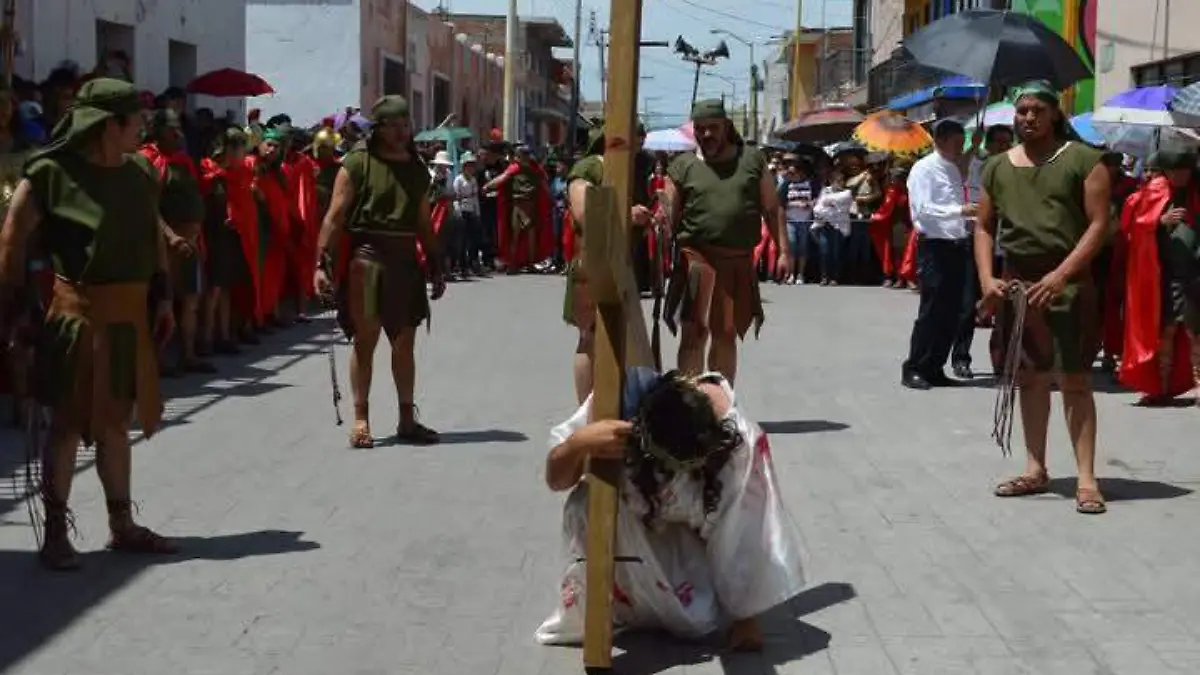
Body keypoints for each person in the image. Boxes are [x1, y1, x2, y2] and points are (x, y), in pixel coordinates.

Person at [0, 78, 178, 569]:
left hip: (130, 317)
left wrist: (162, 297)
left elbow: (152, 237)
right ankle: (55, 532)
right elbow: (11, 242)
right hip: (76, 317)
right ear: (107, 124)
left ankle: (121, 525)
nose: (143, 126)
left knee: (117, 424)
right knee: (67, 427)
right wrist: (15, 312)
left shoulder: (141, 171)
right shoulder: (50, 174)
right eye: (135, 119)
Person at [535, 367, 805, 650]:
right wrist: (579, 444)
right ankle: (613, 598)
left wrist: (745, 617)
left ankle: (649, 602)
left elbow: (742, 532)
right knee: (584, 504)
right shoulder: (624, 398)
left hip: (678, 545)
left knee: (697, 620)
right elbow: (556, 479)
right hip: (624, 529)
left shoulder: (738, 444)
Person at [975, 81, 1111, 514]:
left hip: (1069, 283)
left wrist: (1062, 273)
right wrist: (986, 278)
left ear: (1055, 113)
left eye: (1036, 110)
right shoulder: (995, 166)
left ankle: (1087, 480)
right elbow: (983, 227)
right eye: (1021, 111)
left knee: (1075, 379)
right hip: (1018, 285)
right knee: (1029, 378)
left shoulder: (1085, 160)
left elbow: (1099, 225)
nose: (1027, 118)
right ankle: (1036, 468)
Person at [314, 96, 445, 449]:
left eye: (406, 124)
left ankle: (406, 419)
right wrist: (321, 265)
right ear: (380, 127)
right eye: (395, 125)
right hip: (368, 259)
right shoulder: (357, 163)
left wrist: (435, 260)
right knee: (365, 340)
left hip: (405, 263)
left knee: (404, 343)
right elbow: (334, 216)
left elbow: (422, 220)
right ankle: (361, 419)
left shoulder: (417, 168)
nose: (402, 131)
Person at [662, 100, 789, 384]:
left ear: (726, 127)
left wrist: (783, 251)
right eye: (701, 129)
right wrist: (662, 213)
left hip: (735, 259)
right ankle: (690, 403)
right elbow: (668, 210)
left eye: (713, 128)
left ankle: (720, 405)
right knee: (693, 331)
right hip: (695, 258)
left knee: (725, 332)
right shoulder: (683, 165)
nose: (707, 134)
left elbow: (772, 208)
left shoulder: (752, 159)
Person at [563, 125, 657, 404]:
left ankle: (612, 404)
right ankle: (586, 411)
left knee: (620, 338)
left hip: (622, 262)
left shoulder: (633, 170)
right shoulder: (590, 167)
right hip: (592, 261)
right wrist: (628, 215)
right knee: (589, 337)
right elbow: (583, 211)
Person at [1117, 150, 1200, 405]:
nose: (1180, 175)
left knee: (1195, 332)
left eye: (1184, 170)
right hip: (1164, 277)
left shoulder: (1197, 192)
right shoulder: (1155, 192)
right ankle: (1160, 387)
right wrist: (1159, 221)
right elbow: (1134, 228)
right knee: (1166, 332)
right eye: (1175, 170)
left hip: (1195, 274)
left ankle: (1199, 387)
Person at [902, 119, 974, 390]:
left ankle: (935, 366)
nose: (960, 147)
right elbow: (922, 209)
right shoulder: (924, 169)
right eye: (957, 142)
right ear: (941, 139)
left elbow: (954, 203)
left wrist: (967, 216)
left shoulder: (953, 169)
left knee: (953, 311)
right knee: (931, 310)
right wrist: (960, 211)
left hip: (957, 244)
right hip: (935, 246)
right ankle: (914, 366)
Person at [140, 108, 212, 375]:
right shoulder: (148, 160)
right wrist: (170, 237)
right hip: (165, 246)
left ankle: (188, 354)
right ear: (158, 130)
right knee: (164, 301)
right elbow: (149, 207)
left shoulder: (182, 160)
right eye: (172, 128)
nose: (178, 133)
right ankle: (156, 359)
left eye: (179, 128)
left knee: (191, 300)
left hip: (191, 243)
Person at [953, 125, 1015, 379]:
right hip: (977, 242)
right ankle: (960, 358)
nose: (1002, 146)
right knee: (968, 304)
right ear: (987, 144)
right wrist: (972, 145)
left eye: (1006, 142)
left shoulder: (1015, 168)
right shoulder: (976, 165)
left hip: (1007, 243)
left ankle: (1003, 360)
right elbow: (958, 170)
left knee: (1006, 306)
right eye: (997, 141)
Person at [199, 127, 258, 356]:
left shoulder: (239, 174)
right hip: (214, 236)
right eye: (241, 150)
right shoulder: (209, 171)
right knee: (213, 289)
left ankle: (223, 336)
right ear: (229, 150)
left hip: (233, 237)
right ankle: (205, 338)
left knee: (226, 289)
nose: (244, 156)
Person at [485, 145, 554, 274]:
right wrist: (488, 186)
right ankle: (513, 264)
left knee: (530, 236)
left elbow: (543, 184)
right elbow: (503, 178)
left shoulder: (534, 168)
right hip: (518, 204)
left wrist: (549, 198)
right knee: (515, 235)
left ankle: (530, 263)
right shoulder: (517, 168)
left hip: (531, 204)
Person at [870, 166, 912, 288]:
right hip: (897, 225)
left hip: (911, 224)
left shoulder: (911, 190)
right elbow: (886, 208)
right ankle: (899, 277)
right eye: (892, 178)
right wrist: (876, 217)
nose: (892, 181)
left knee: (909, 252)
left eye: (895, 178)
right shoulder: (891, 191)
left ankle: (910, 277)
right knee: (898, 252)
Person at [776, 154, 815, 285]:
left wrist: (810, 204)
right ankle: (790, 274)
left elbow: (818, 199)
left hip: (805, 221)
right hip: (790, 220)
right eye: (790, 172)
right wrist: (795, 204)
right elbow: (780, 203)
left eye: (794, 171)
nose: (791, 174)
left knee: (803, 248)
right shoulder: (786, 185)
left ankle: (800, 275)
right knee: (792, 246)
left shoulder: (809, 184)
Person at [812, 172, 853, 286]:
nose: (840, 183)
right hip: (825, 226)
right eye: (837, 181)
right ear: (832, 181)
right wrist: (832, 207)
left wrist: (829, 203)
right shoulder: (825, 191)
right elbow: (817, 209)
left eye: (841, 181)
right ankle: (824, 277)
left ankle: (835, 277)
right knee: (824, 251)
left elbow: (844, 209)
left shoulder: (847, 193)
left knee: (836, 252)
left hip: (838, 227)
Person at [453, 152, 483, 275]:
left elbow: (475, 197)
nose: (471, 168)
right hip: (462, 211)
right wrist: (458, 212)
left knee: (474, 239)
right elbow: (456, 197)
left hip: (471, 211)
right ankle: (462, 266)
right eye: (468, 165)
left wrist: (477, 212)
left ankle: (473, 263)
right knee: (463, 240)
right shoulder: (458, 180)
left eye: (472, 166)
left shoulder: (473, 180)